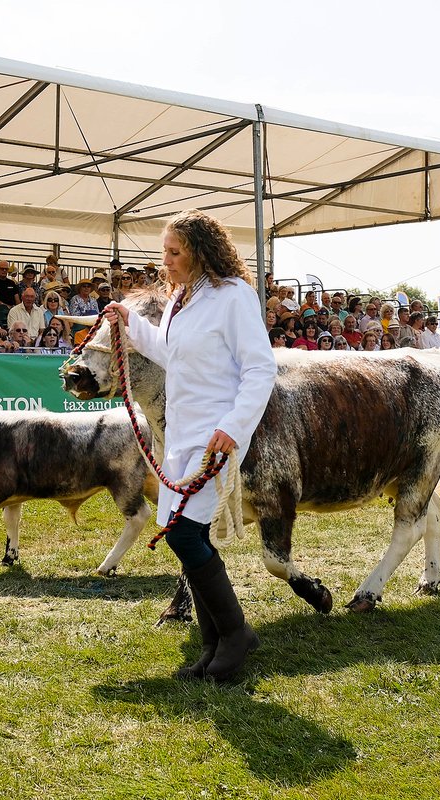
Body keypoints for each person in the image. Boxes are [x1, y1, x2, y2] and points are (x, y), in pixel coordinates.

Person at [102, 209, 276, 683]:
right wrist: (129, 323)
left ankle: (236, 636)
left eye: (174, 252)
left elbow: (261, 369)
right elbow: (170, 353)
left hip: (214, 436)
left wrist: (235, 427)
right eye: (165, 251)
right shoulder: (182, 297)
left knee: (183, 534)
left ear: (199, 252)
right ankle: (214, 645)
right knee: (189, 537)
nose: (167, 260)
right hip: (180, 437)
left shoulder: (234, 296)